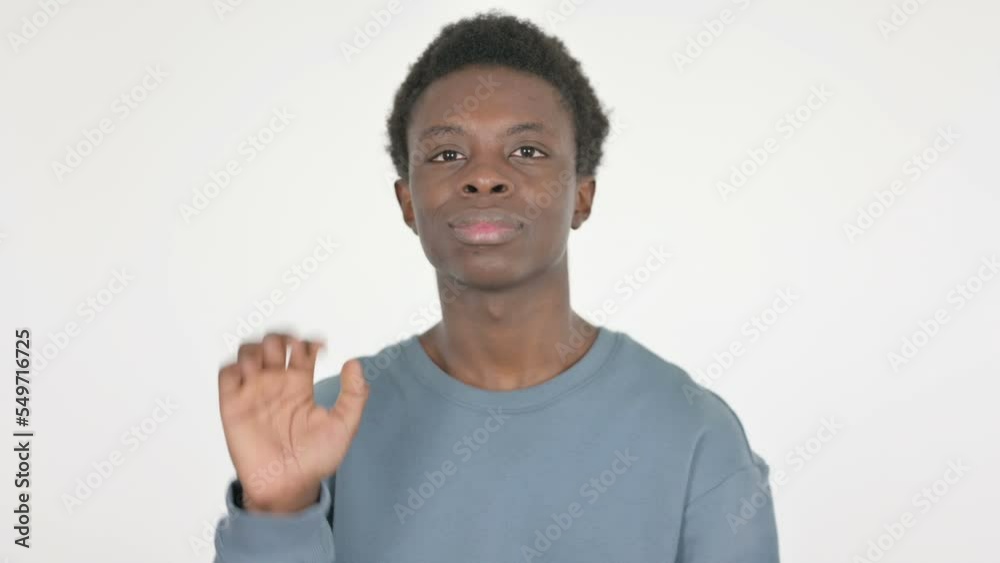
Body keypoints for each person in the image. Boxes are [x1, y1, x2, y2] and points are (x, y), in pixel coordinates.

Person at [214, 10, 780, 562]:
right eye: (448, 154)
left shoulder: (692, 433)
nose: (484, 177)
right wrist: (279, 510)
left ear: (582, 197)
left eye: (526, 151)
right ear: (408, 201)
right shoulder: (321, 425)